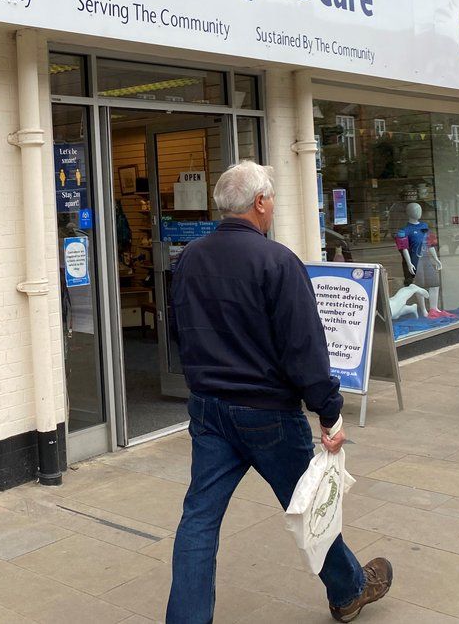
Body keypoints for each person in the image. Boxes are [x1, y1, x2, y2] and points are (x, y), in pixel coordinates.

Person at [167, 161, 392, 624]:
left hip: (210, 409)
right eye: (271, 198)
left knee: (199, 519)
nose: (272, 206)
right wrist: (329, 413)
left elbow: (179, 331)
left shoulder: (189, 258)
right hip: (267, 411)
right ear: (260, 203)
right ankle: (349, 590)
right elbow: (304, 348)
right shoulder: (277, 261)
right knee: (309, 505)